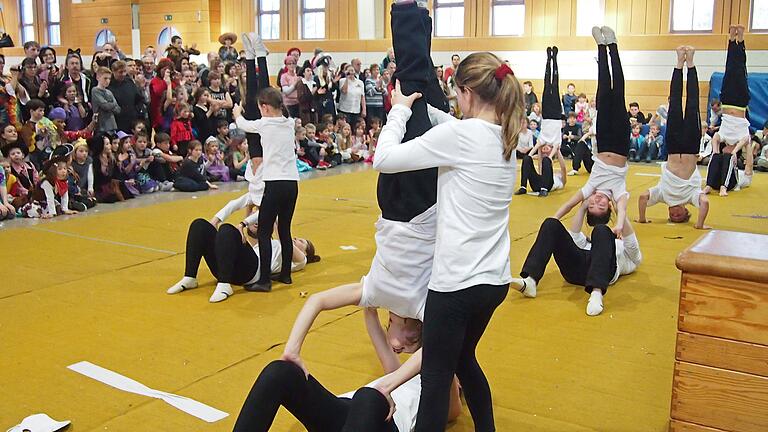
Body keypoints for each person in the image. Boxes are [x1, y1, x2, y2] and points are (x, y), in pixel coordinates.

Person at [371, 5, 526, 431]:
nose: (454, 102)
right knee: (464, 361)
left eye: (457, 94)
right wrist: (427, 111)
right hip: (493, 283)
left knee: (437, 379)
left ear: (468, 94)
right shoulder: (506, 138)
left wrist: (400, 110)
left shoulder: (461, 136)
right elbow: (453, 126)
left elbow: (383, 159)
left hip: (456, 286)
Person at [234, 40, 300, 292]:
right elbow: (274, 101)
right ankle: (285, 275)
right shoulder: (288, 122)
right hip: (291, 184)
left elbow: (243, 124)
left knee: (263, 232)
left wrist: (237, 112)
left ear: (263, 108)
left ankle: (264, 280)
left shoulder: (262, 124)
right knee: (284, 229)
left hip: (274, 184)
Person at [555, 26, 630, 236]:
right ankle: (612, 45)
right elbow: (622, 209)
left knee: (604, 89)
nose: (597, 201)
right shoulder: (617, 193)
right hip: (620, 144)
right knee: (619, 89)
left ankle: (600, 47)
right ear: (610, 206)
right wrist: (619, 224)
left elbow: (569, 204)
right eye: (602, 206)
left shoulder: (591, 187)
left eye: (593, 205)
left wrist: (554, 219)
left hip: (605, 140)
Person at [512, 205, 641, 316]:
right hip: (575, 269)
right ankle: (530, 281)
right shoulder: (586, 241)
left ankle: (596, 293)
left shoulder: (625, 251)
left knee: (601, 230)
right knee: (551, 223)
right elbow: (573, 234)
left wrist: (619, 210)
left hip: (604, 272)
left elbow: (632, 245)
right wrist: (584, 205)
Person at [637, 46, 710, 230]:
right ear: (687, 212)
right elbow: (705, 202)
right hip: (691, 146)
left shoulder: (663, 195)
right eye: (679, 216)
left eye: (672, 216)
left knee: (675, 102)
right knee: (693, 103)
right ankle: (691, 61)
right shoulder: (691, 197)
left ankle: (679, 62)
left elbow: (643, 197)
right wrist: (699, 224)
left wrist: (642, 218)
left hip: (674, 145)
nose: (674, 214)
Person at [167, 216, 318, 302]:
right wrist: (245, 223)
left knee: (226, 229)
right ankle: (190, 277)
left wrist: (276, 218)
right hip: (233, 264)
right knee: (199, 225)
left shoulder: (299, 261)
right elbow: (251, 233)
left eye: (302, 242)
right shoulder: (269, 242)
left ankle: (224, 284)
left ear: (305, 253)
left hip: (252, 273)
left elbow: (288, 245)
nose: (297, 239)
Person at [711, 25, 751, 158]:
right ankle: (740, 38)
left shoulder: (722, 137)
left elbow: (715, 138)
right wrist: (735, 151)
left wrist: (716, 153)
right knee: (740, 68)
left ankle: (732, 39)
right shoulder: (741, 139)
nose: (725, 151)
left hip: (727, 101)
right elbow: (747, 140)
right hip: (740, 102)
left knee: (729, 69)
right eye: (725, 153)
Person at [91, 67, 120, 133]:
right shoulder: (95, 90)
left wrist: (110, 105)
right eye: (105, 78)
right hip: (102, 126)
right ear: (98, 77)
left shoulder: (109, 92)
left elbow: (118, 109)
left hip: (112, 125)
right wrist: (113, 104)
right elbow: (105, 106)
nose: (107, 81)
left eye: (109, 79)